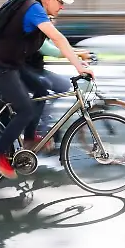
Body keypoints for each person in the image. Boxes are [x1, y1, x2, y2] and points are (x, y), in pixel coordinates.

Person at [0, 0, 93, 179]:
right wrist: (79, 66)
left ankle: (31, 138)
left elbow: (52, 45)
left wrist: (77, 57)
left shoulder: (35, 10)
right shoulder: (34, 10)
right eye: (60, 2)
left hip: (11, 65)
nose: (62, 6)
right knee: (25, 110)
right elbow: (58, 39)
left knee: (42, 89)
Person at [25, 23, 94, 154]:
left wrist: (79, 54)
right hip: (28, 72)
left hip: (38, 70)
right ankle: (43, 132)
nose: (52, 21)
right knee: (46, 92)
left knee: (64, 86)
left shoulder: (43, 31)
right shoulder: (35, 28)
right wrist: (79, 55)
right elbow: (51, 51)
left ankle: (47, 117)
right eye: (49, 18)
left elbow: (58, 45)